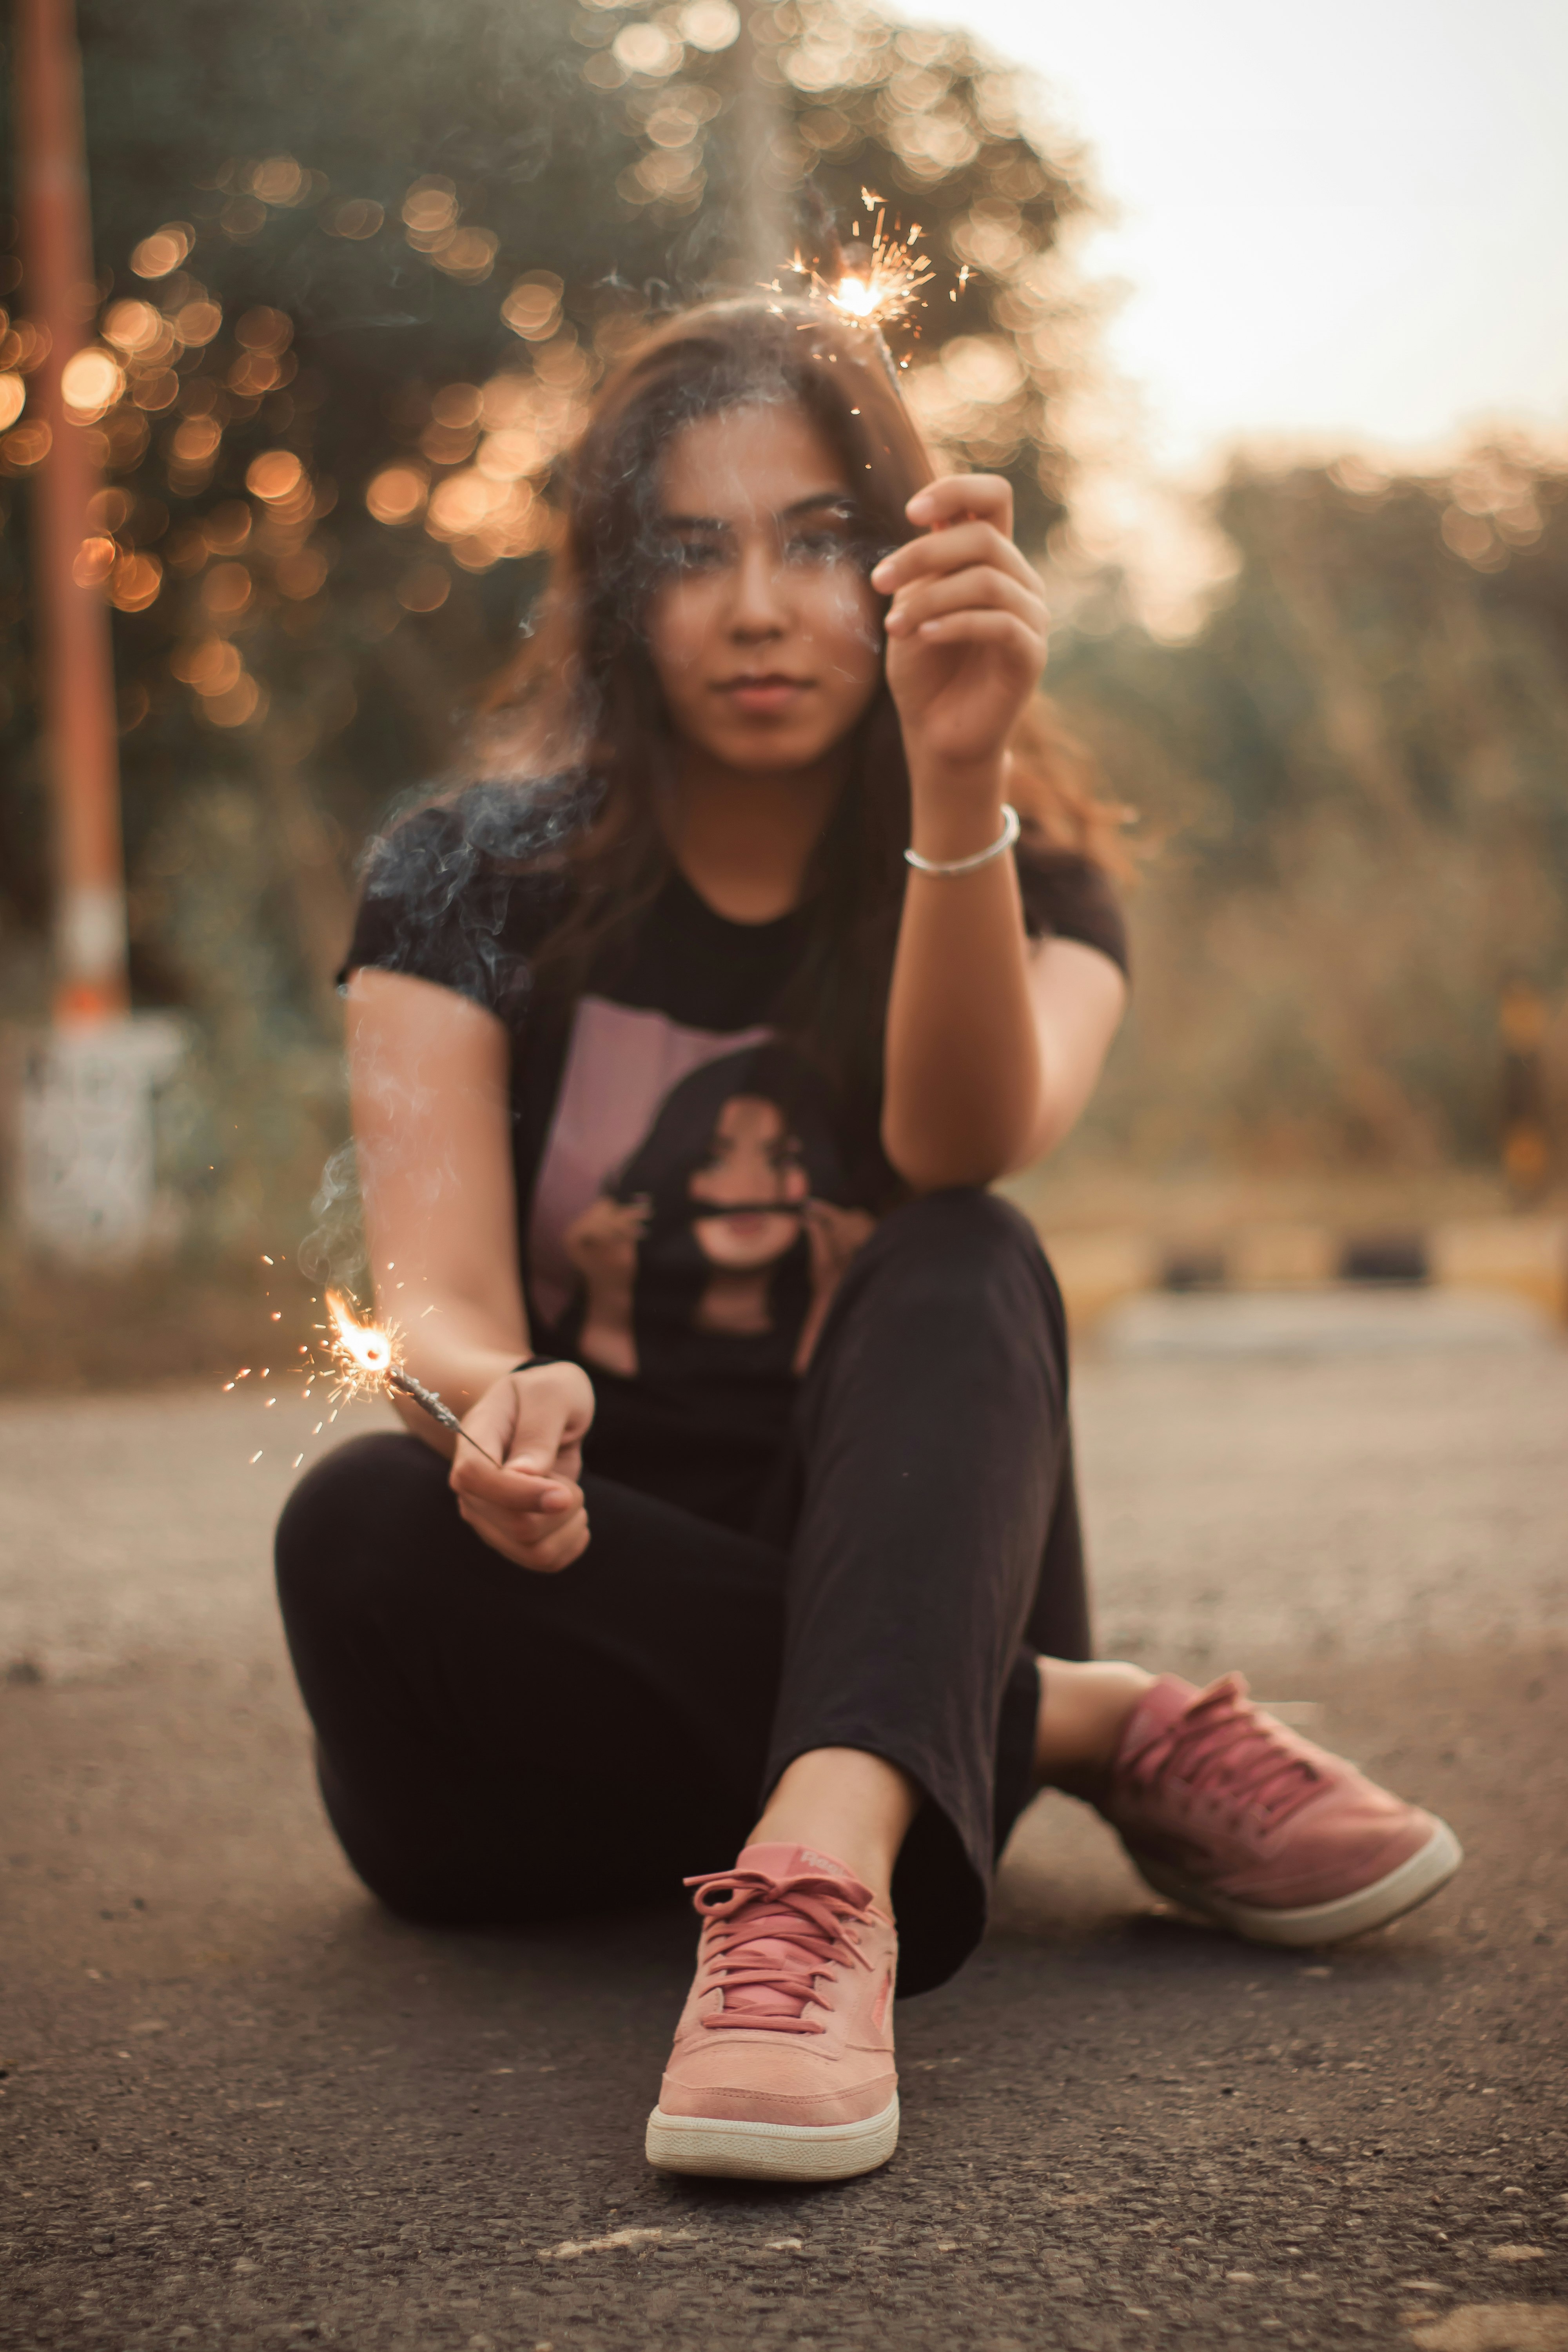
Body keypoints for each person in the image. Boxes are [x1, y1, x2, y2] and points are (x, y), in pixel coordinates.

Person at [275, 297, 1461, 2186]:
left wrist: (963, 782)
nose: (757, 604)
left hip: (900, 1554)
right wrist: (491, 1409)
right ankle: (1071, 1726)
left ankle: (816, 1880)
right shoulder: (460, 879)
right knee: (354, 1518)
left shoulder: (1043, 874)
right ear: (610, 592)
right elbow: (433, 1296)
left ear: (912, 555)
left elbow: (960, 1141)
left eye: (819, 536)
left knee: (965, 1247)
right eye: (691, 547)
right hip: (582, 1652)